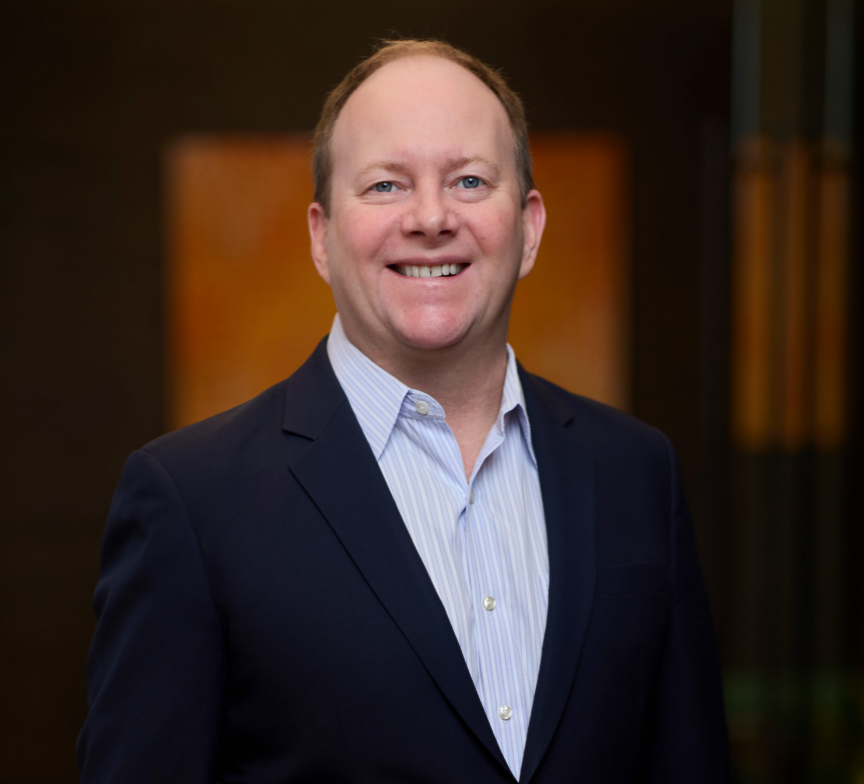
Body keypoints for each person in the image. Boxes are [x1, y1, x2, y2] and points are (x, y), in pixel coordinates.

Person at [78, 39, 730, 783]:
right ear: (322, 237)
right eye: (386, 185)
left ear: (529, 227)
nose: (430, 217)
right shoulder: (190, 502)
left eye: (470, 181)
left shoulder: (638, 472)